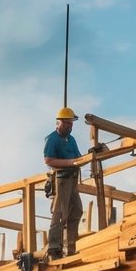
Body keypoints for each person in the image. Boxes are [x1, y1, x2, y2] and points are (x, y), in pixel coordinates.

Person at [43, 106, 83, 259]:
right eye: (66, 123)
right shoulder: (52, 138)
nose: (69, 126)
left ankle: (70, 246)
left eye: (71, 124)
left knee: (77, 210)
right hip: (61, 180)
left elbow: (78, 158)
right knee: (60, 213)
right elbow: (48, 160)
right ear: (58, 123)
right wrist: (70, 163)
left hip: (72, 179)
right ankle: (54, 248)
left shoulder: (71, 139)